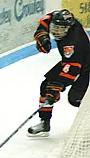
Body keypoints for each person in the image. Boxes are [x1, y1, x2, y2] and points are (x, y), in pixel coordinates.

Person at [27, 9, 90, 137]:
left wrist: (57, 87)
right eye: (55, 27)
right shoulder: (66, 20)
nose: (56, 31)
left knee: (76, 99)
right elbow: (48, 17)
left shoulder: (74, 43)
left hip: (84, 68)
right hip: (70, 63)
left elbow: (73, 70)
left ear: (68, 27)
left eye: (61, 28)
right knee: (46, 86)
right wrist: (42, 33)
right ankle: (44, 123)